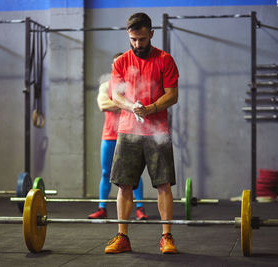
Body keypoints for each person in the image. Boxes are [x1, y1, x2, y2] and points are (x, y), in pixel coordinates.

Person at [104, 13, 179, 254]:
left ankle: (166, 237)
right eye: (134, 39)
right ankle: (122, 237)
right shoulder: (121, 63)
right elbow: (116, 96)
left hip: (158, 132)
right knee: (124, 185)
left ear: (151, 34)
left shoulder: (165, 60)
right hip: (128, 131)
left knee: (163, 185)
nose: (138, 44)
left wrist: (152, 108)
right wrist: (132, 107)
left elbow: (172, 94)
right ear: (128, 35)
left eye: (142, 39)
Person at [88, 53, 148, 220]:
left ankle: (140, 209)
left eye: (120, 64)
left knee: (134, 174)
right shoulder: (106, 86)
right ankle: (102, 208)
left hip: (130, 134)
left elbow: (139, 106)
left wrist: (121, 104)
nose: (117, 67)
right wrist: (126, 104)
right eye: (115, 64)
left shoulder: (133, 85)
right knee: (106, 172)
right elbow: (102, 105)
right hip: (109, 135)